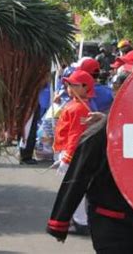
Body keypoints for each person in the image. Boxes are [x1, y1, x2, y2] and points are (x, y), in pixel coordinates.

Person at [47, 70, 133, 252]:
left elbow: (79, 173)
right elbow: (79, 172)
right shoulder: (103, 130)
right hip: (112, 221)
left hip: (113, 220)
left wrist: (59, 221)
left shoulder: (102, 130)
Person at [52, 69, 95, 234]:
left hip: (69, 153)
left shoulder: (79, 108)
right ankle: (76, 219)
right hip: (65, 151)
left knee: (72, 189)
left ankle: (80, 221)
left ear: (85, 87)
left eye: (74, 85)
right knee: (71, 188)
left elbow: (75, 136)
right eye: (68, 84)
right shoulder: (75, 105)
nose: (69, 87)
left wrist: (67, 158)